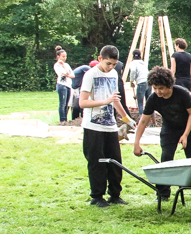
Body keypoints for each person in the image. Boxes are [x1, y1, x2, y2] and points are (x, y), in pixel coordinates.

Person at [133, 66, 191, 200]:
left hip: (189, 126)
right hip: (169, 129)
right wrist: (136, 143)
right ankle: (163, 193)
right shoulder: (153, 98)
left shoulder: (182, 93)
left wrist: (185, 135)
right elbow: (143, 121)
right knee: (165, 159)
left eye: (161, 88)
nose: (158, 91)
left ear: (169, 85)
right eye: (155, 88)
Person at [79, 46, 133, 207]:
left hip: (110, 126)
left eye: (114, 64)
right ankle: (97, 196)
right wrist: (105, 101)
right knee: (97, 163)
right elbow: (82, 102)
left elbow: (115, 100)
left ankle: (115, 195)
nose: (111, 67)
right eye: (108, 63)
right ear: (100, 58)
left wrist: (126, 119)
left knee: (115, 162)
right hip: (93, 127)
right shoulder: (90, 75)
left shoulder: (114, 74)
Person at [53, 46, 74, 125]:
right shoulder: (56, 65)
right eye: (63, 56)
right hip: (62, 85)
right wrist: (64, 67)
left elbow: (72, 75)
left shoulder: (67, 64)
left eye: (65, 56)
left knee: (67, 104)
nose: (65, 58)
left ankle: (66, 120)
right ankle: (62, 120)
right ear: (58, 56)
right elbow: (67, 73)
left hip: (68, 85)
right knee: (62, 104)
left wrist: (67, 73)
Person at [127, 49, 149, 117]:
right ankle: (152, 118)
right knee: (149, 101)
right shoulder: (142, 63)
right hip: (148, 81)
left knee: (140, 102)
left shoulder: (133, 63)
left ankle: (141, 118)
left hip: (141, 82)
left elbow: (133, 71)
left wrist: (131, 80)